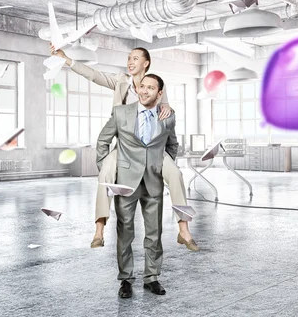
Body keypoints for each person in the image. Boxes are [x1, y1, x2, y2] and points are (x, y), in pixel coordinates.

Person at [50, 45, 198, 251]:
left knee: (176, 174)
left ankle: (184, 229)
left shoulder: (156, 87)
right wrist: (66, 59)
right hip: (125, 148)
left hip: (152, 149)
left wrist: (167, 110)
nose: (130, 61)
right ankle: (99, 229)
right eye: (129, 58)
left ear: (145, 63)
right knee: (105, 175)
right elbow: (94, 75)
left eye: (135, 58)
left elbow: (167, 119)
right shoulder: (121, 82)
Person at [96, 74, 177, 298]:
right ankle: (126, 280)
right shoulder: (121, 113)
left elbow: (172, 145)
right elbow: (103, 141)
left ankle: (152, 278)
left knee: (154, 233)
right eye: (142, 86)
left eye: (151, 88)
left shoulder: (167, 116)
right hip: (126, 181)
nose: (144, 91)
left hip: (153, 181)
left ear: (160, 94)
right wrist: (107, 169)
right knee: (125, 233)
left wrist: (163, 169)